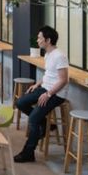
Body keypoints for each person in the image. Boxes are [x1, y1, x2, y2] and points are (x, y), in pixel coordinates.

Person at [14, 26, 69, 163]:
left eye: (40, 38)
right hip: (45, 88)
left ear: (48, 40)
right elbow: (49, 75)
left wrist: (49, 94)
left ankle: (28, 153)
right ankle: (45, 124)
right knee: (20, 103)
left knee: (33, 119)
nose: (37, 40)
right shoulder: (48, 54)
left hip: (56, 94)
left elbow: (63, 80)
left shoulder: (60, 56)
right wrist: (38, 84)